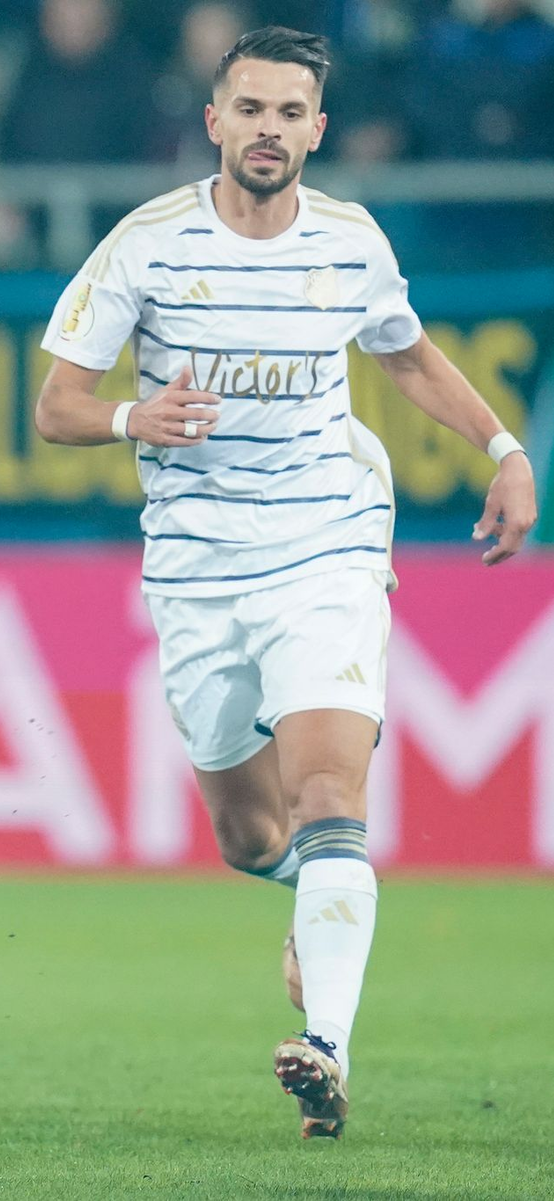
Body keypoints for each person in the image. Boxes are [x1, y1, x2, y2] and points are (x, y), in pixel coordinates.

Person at [34, 26, 536, 1139]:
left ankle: (328, 1048)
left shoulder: (350, 241)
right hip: (199, 567)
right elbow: (55, 405)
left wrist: (504, 446)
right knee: (254, 839)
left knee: (328, 799)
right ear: (215, 122)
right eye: (248, 109)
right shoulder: (146, 245)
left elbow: (403, 352)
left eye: (289, 111)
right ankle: (317, 897)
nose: (268, 129)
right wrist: (133, 415)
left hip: (328, 543)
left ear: (317, 127)